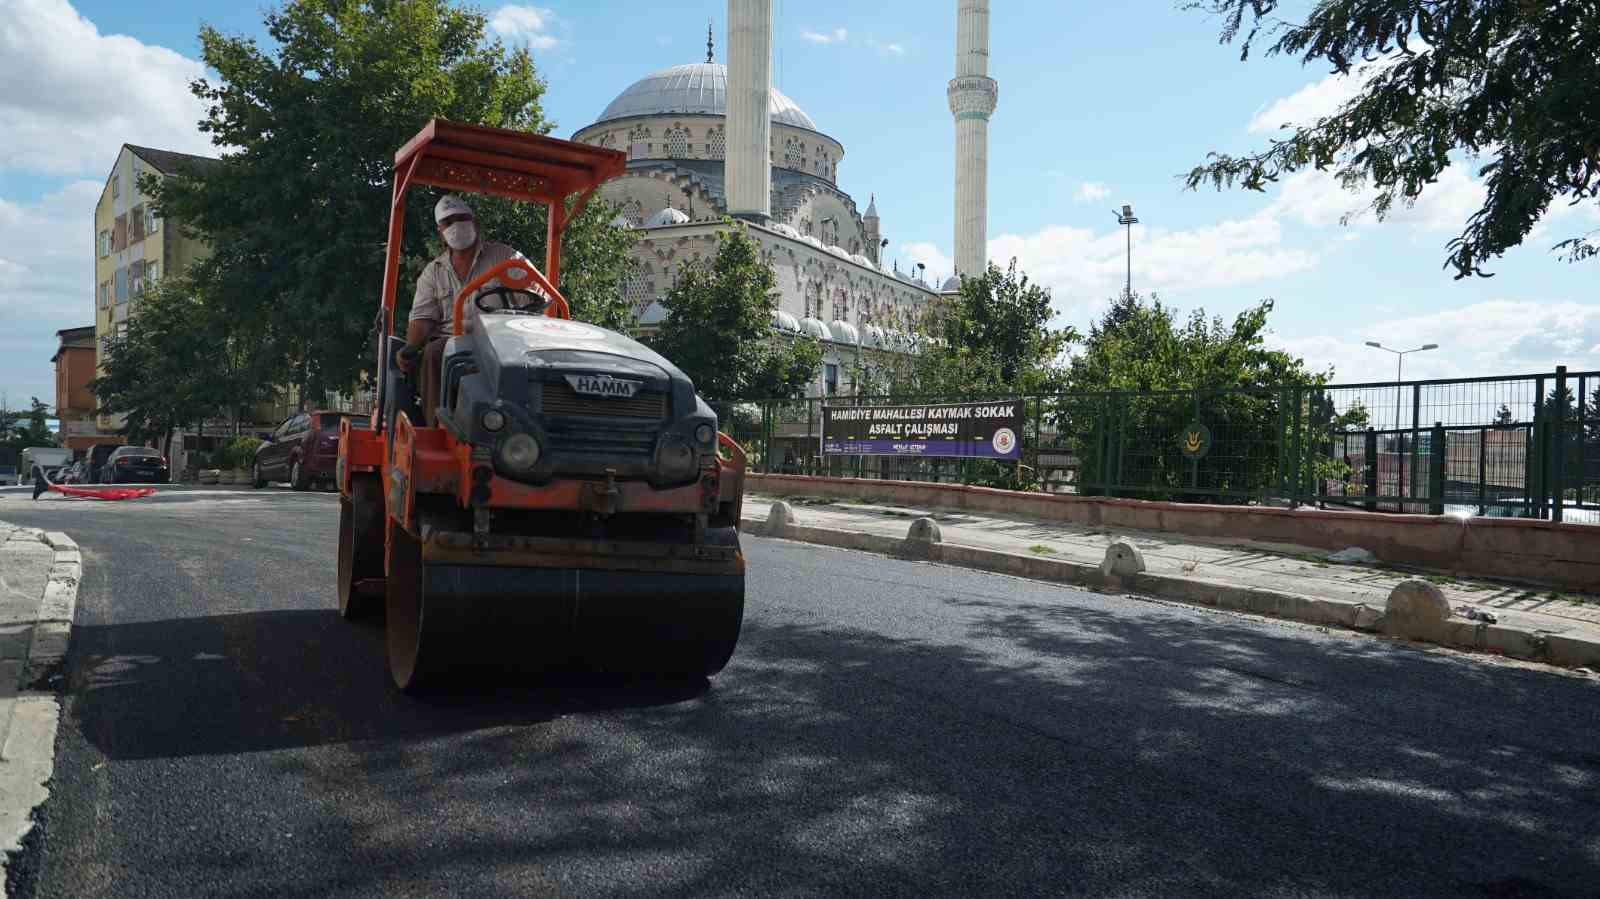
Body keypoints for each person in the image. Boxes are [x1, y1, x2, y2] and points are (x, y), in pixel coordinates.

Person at [397, 194, 537, 423]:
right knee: (432, 353)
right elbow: (422, 319)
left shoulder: (505, 257)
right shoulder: (434, 272)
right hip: (452, 343)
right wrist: (410, 347)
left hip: (499, 342)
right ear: (440, 231)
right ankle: (436, 429)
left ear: (475, 222)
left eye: (461, 218)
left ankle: (518, 425)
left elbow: (535, 293)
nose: (456, 226)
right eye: (449, 222)